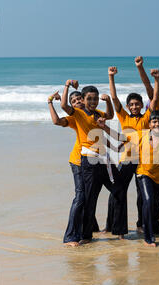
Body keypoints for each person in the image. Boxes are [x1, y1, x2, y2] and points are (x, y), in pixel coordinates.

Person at [105, 66, 158, 237]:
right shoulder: (124, 116)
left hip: (143, 161)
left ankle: (141, 224)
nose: (134, 106)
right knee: (119, 192)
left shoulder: (146, 117)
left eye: (137, 104)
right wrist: (111, 76)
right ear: (128, 106)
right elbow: (113, 97)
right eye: (132, 104)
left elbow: (154, 98)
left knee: (142, 195)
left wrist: (157, 80)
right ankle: (117, 228)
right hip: (127, 160)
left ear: (142, 105)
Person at [61, 83, 118, 244]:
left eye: (95, 98)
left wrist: (107, 101)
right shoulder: (78, 113)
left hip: (102, 159)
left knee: (100, 195)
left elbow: (110, 115)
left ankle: (92, 234)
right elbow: (64, 106)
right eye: (89, 99)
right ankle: (73, 237)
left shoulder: (98, 113)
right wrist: (66, 86)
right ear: (83, 100)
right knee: (84, 198)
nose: (93, 101)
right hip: (87, 159)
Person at [47, 83, 98, 247]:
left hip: (92, 160)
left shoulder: (90, 115)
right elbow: (56, 121)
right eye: (73, 101)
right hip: (77, 161)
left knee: (88, 197)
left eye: (79, 99)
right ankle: (70, 237)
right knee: (80, 196)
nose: (77, 102)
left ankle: (87, 232)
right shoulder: (74, 117)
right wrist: (50, 102)